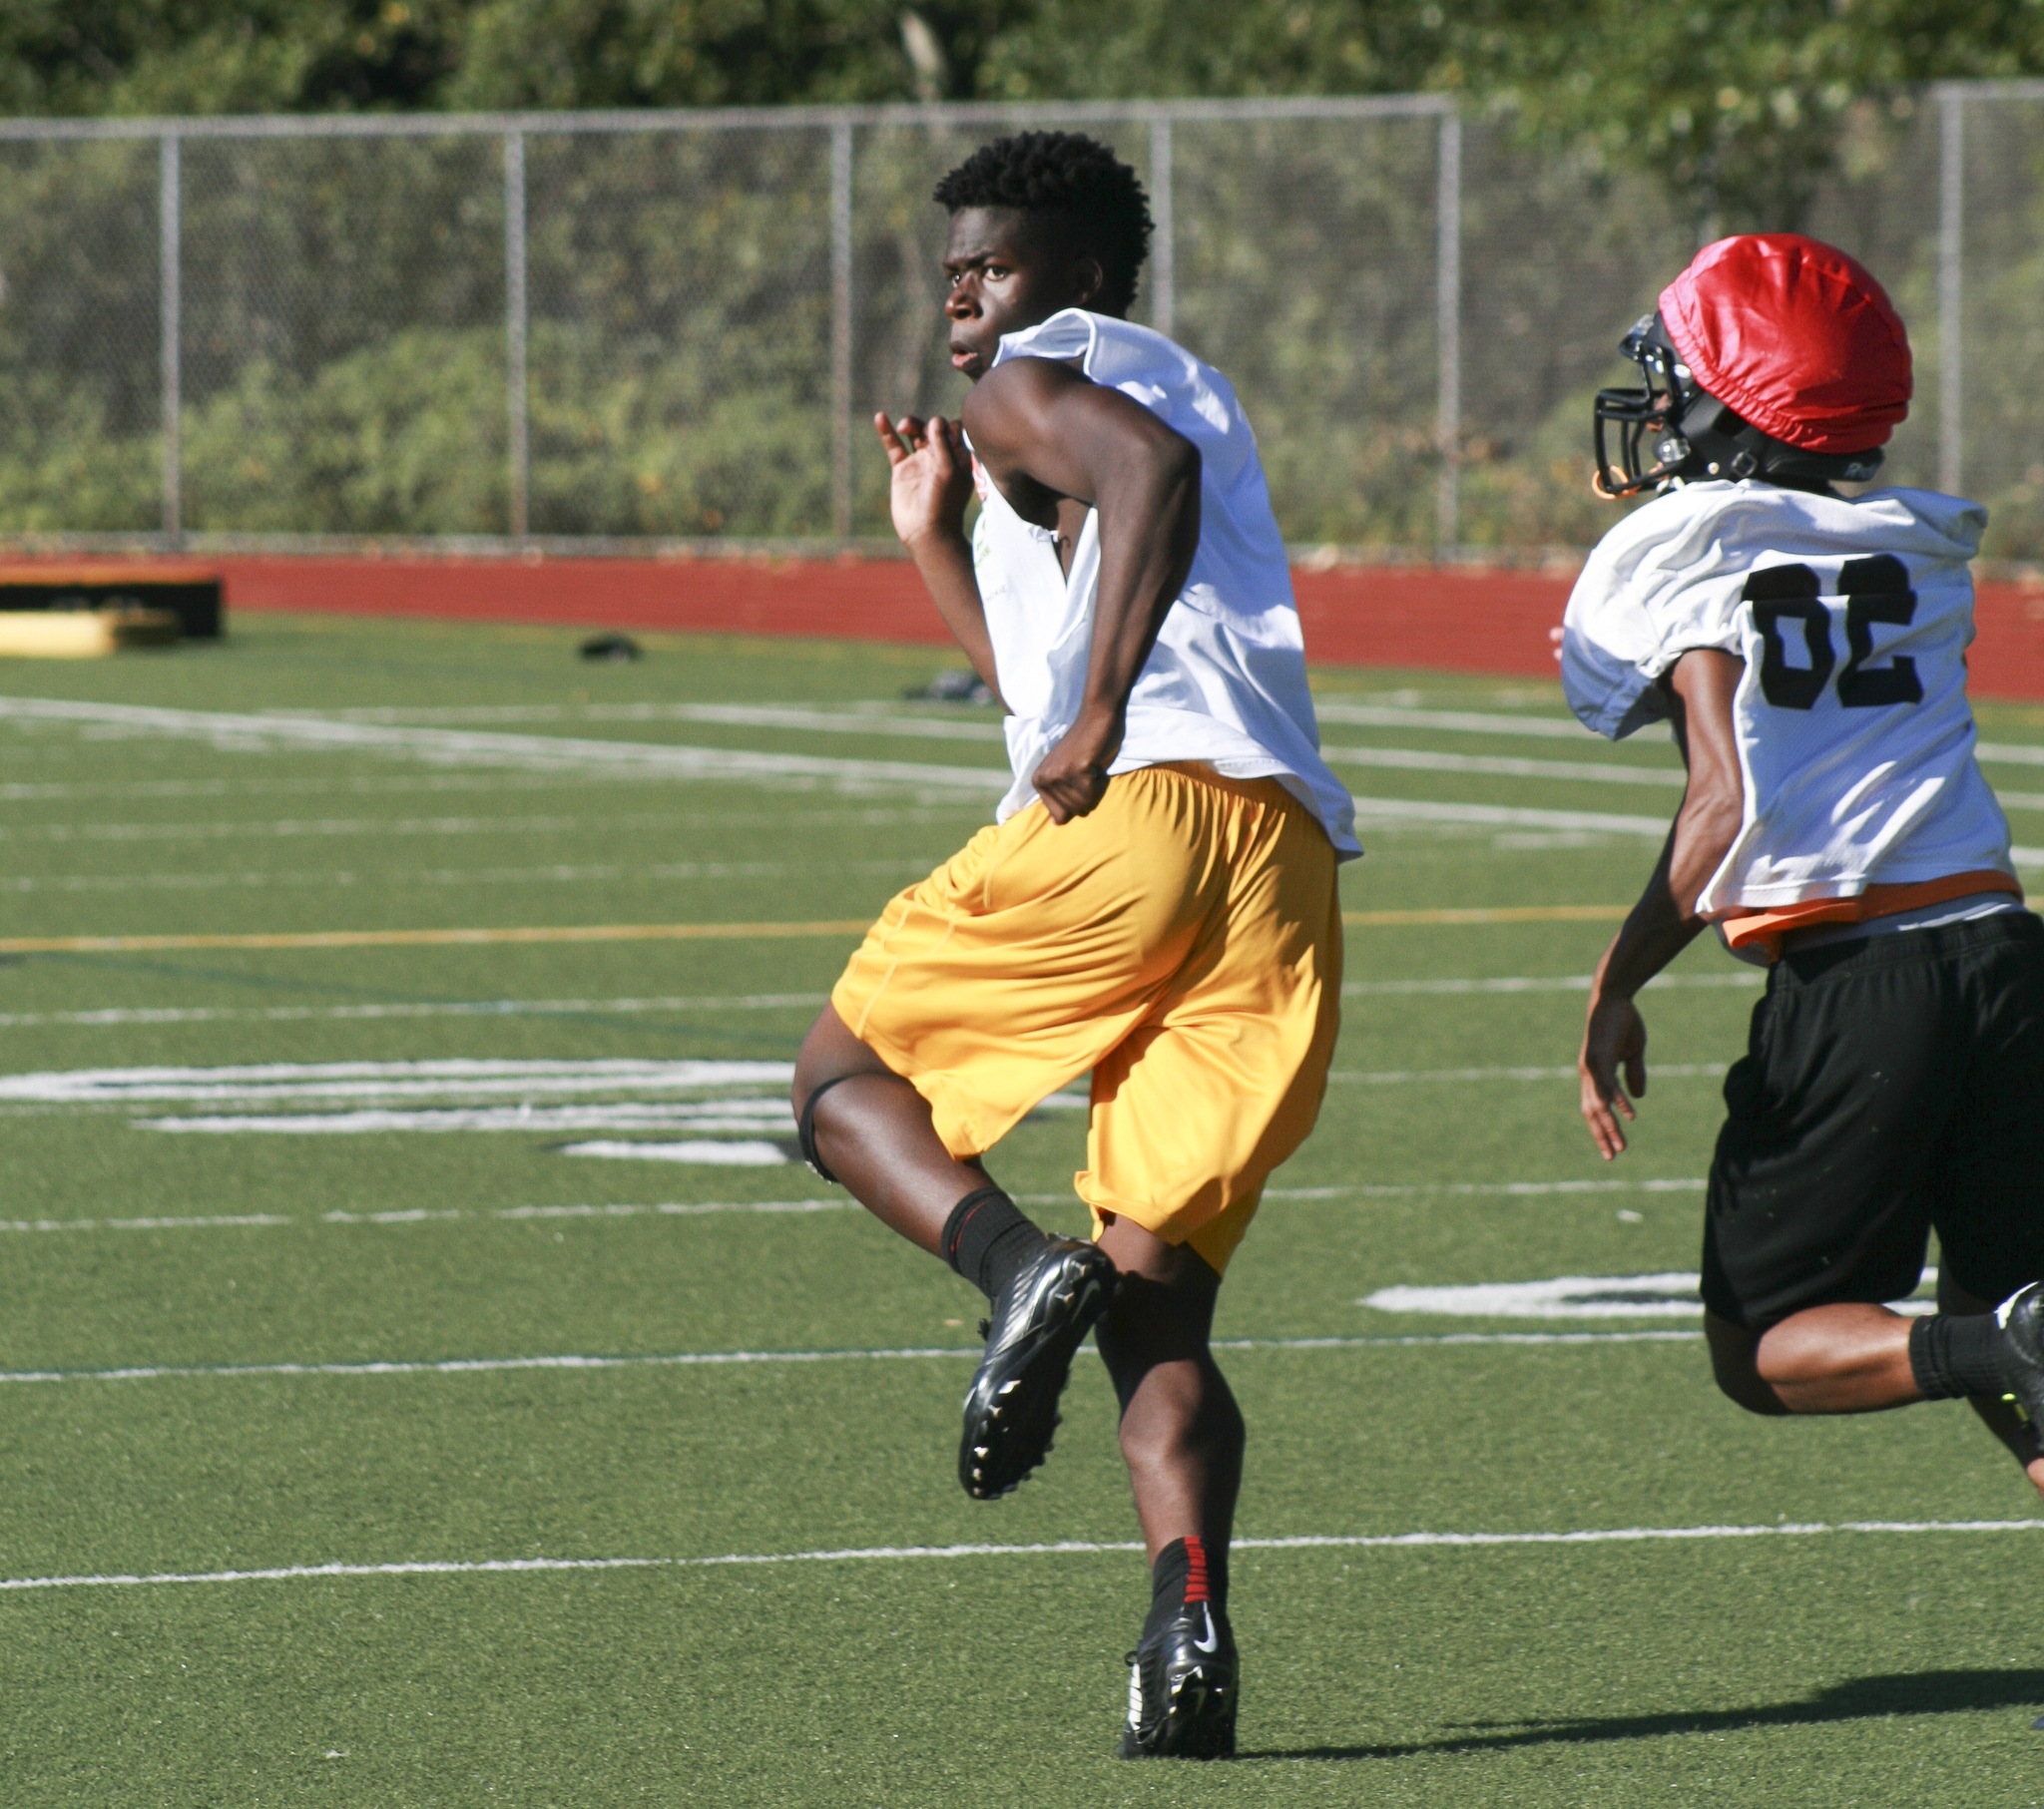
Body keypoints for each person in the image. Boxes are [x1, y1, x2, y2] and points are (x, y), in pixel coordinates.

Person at [788, 131, 1357, 1759]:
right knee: (1158, 1309)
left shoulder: (1043, 382)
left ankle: (1006, 1262)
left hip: (1144, 815)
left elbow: (1135, 501)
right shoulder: (1172, 382)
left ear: (1082, 278)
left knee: (839, 1080)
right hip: (1278, 865)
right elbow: (1052, 662)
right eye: (953, 269)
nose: (964, 295)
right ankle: (1187, 1628)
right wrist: (929, 539)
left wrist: (1104, 706)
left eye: (997, 265)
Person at [1562, 232, 2044, 1493]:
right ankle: (2008, 1334)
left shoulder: (1682, 543)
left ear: (1731, 409)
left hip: (1854, 981)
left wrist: (1614, 981)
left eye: (1675, 379)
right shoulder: (1918, 543)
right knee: (2022, 1360)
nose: (1656, 406)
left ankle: (1998, 1337)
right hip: (2002, 952)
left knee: (1768, 1349)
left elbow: (1720, 805)